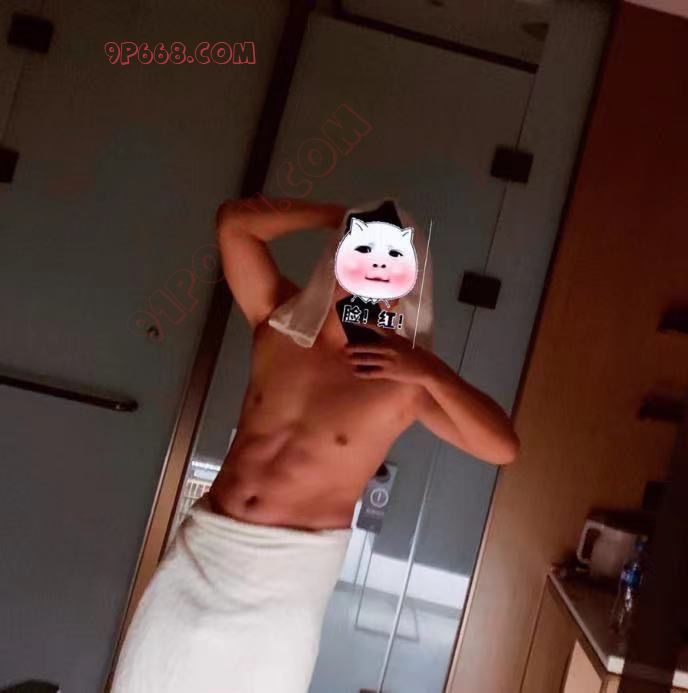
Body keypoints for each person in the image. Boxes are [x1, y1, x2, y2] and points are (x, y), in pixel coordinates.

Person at [111, 197, 519, 693]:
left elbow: (502, 447)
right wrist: (340, 215)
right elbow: (235, 225)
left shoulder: (404, 382)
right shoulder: (278, 321)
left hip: (289, 581)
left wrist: (431, 371)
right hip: (203, 553)